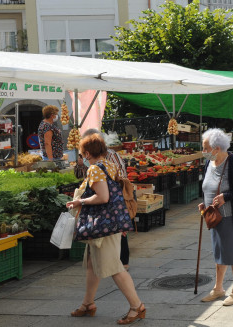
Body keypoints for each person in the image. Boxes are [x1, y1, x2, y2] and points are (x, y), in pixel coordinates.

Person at [66, 133, 145, 324]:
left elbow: (103, 197)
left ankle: (137, 307)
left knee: (115, 268)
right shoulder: (109, 164)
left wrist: (80, 201)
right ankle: (88, 304)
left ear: (86, 153)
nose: (81, 158)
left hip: (103, 225)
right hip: (111, 222)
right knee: (93, 264)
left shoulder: (94, 169)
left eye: (81, 154)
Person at [198, 128, 233, 306]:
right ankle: (218, 288)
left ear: (217, 148)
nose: (204, 151)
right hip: (214, 217)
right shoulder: (211, 162)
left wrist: (226, 197)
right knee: (219, 252)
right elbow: (208, 186)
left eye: (206, 147)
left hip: (232, 216)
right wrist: (204, 204)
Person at [82, 129, 131, 270]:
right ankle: (114, 264)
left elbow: (119, 179)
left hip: (114, 200)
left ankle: (122, 263)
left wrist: (81, 201)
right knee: (117, 230)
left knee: (119, 231)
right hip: (112, 201)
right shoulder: (95, 164)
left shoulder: (107, 160)